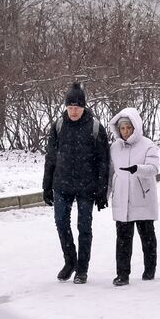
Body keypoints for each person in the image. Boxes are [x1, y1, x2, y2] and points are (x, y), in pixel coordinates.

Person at [42, 81, 110, 284]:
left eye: (77, 107)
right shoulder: (58, 126)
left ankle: (82, 269)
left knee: (84, 227)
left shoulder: (96, 127)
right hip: (62, 184)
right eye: (70, 107)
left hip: (86, 187)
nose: (73, 111)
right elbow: (50, 157)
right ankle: (70, 261)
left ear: (84, 107)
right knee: (61, 222)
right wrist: (46, 185)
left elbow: (103, 161)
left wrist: (102, 190)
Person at [108, 107, 159, 286]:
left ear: (135, 127)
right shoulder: (114, 148)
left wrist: (138, 169)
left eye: (129, 128)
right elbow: (110, 173)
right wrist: (105, 194)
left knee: (147, 237)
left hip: (143, 199)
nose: (126, 132)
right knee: (122, 239)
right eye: (122, 128)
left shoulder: (148, 145)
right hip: (122, 200)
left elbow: (154, 168)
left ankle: (149, 269)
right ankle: (122, 274)